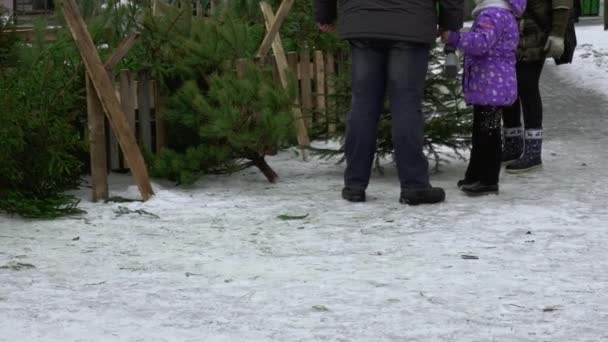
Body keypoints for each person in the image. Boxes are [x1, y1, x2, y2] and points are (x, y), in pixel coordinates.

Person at [313, 0, 464, 205]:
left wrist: (324, 14)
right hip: (411, 21)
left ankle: (355, 185)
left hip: (362, 20)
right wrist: (450, 22)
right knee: (406, 103)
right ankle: (414, 186)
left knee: (363, 103)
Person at [442, 0, 526, 196]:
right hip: (491, 84)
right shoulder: (502, 13)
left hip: (490, 84)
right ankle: (475, 174)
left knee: (488, 133)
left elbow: (480, 43)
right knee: (482, 131)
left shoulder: (493, 14)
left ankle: (488, 179)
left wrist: (453, 38)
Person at [501, 0, 573, 172]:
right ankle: (513, 145)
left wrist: (558, 33)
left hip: (536, 33)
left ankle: (533, 152)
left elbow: (562, 3)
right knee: (508, 88)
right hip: (508, 32)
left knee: (527, 87)